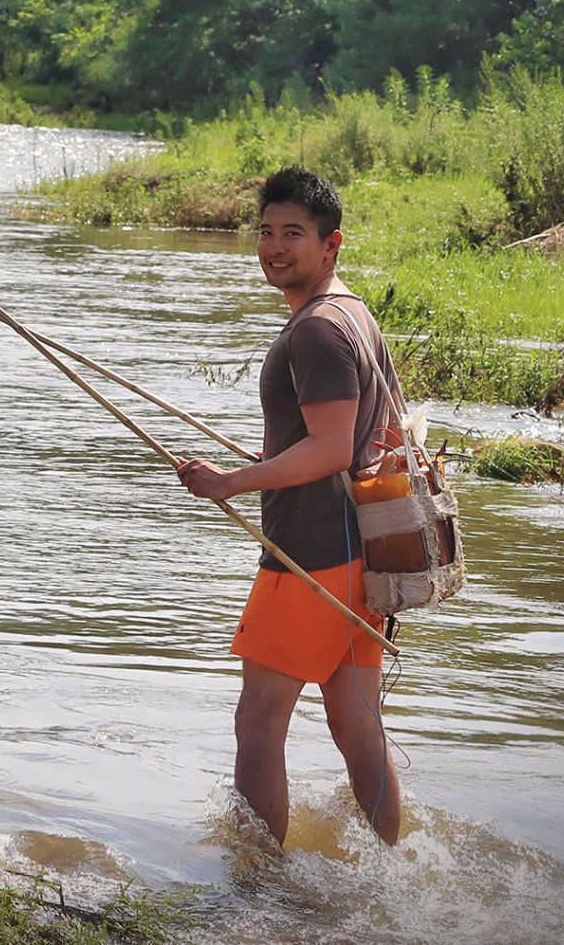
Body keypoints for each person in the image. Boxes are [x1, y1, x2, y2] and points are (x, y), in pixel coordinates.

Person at [175, 166, 403, 846]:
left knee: (259, 722)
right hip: (365, 554)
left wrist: (231, 482)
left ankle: (257, 885)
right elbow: (374, 435)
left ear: (331, 244)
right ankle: (392, 872)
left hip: (309, 555)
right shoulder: (352, 312)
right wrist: (274, 462)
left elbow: (332, 448)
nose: (276, 248)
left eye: (294, 234)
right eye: (267, 232)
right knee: (355, 724)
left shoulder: (316, 330)